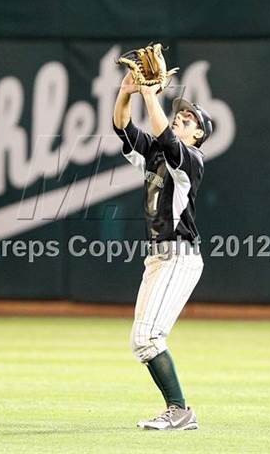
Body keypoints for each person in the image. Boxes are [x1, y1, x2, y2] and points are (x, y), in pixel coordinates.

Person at [113, 71, 213, 431]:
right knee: (141, 341)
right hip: (158, 258)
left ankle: (180, 410)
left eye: (190, 118)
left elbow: (166, 136)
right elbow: (122, 129)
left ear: (198, 134)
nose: (182, 116)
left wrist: (149, 94)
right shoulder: (155, 155)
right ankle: (177, 410)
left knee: (148, 338)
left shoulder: (192, 159)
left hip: (180, 257)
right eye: (181, 113)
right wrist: (127, 93)